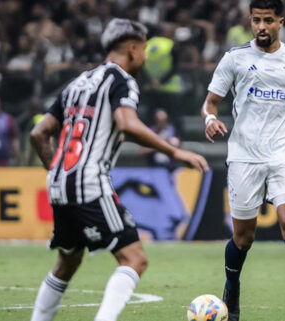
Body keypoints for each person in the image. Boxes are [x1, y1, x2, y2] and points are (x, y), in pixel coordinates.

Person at [29, 18, 208, 321]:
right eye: (145, 50)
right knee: (134, 259)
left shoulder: (78, 82)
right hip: (88, 182)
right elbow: (126, 122)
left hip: (59, 182)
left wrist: (57, 171)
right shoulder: (121, 80)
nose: (146, 58)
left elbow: (38, 133)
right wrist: (174, 150)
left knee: (67, 263)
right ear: (133, 49)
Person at [201, 1, 285, 320]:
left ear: (281, 21)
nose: (261, 27)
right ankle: (232, 286)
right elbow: (210, 103)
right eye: (256, 20)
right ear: (250, 21)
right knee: (244, 238)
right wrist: (210, 119)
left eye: (268, 20)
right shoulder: (235, 58)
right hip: (244, 157)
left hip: (283, 153)